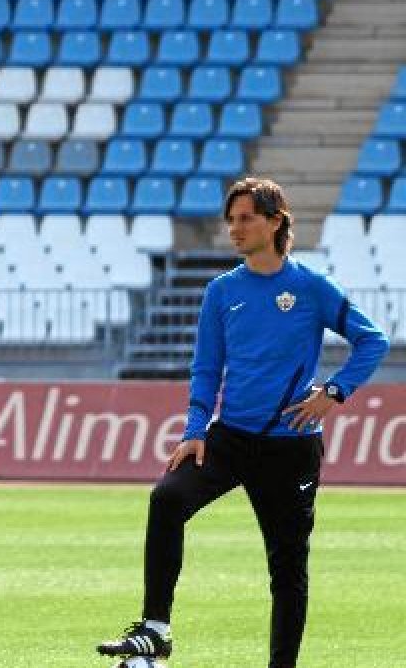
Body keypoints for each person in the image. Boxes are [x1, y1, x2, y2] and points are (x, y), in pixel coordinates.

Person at [96, 178, 390, 667]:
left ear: (276, 221)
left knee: (288, 567)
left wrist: (334, 392)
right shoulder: (221, 291)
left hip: (290, 445)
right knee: (167, 499)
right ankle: (155, 631)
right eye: (231, 220)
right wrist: (194, 430)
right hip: (229, 437)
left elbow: (373, 340)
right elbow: (206, 369)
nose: (235, 229)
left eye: (247, 218)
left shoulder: (310, 287)